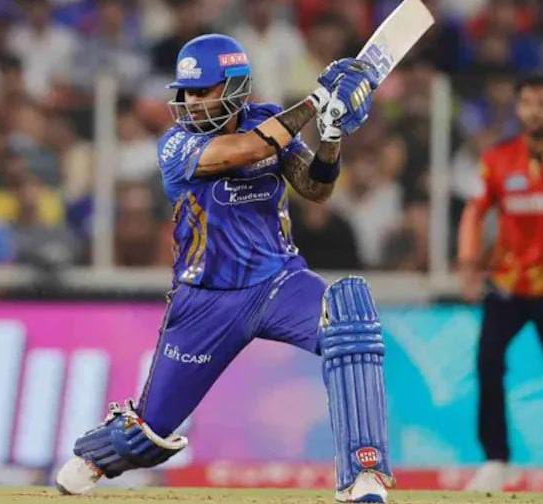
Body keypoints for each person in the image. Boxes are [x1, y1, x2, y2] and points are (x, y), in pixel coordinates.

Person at [56, 34, 393, 503]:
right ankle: (96, 455)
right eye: (186, 92)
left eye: (202, 91)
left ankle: (364, 474)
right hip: (206, 299)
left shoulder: (268, 121)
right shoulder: (177, 144)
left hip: (278, 282)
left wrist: (332, 134)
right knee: (149, 434)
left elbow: (316, 190)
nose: (191, 102)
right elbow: (245, 151)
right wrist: (319, 101)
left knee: (349, 317)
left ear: (234, 89)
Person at [458, 74, 543, 492]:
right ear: (518, 108)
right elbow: (474, 212)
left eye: (541, 103)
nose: (535, 111)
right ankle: (496, 460)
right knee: (488, 363)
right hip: (508, 285)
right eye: (527, 103)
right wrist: (468, 263)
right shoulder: (498, 159)